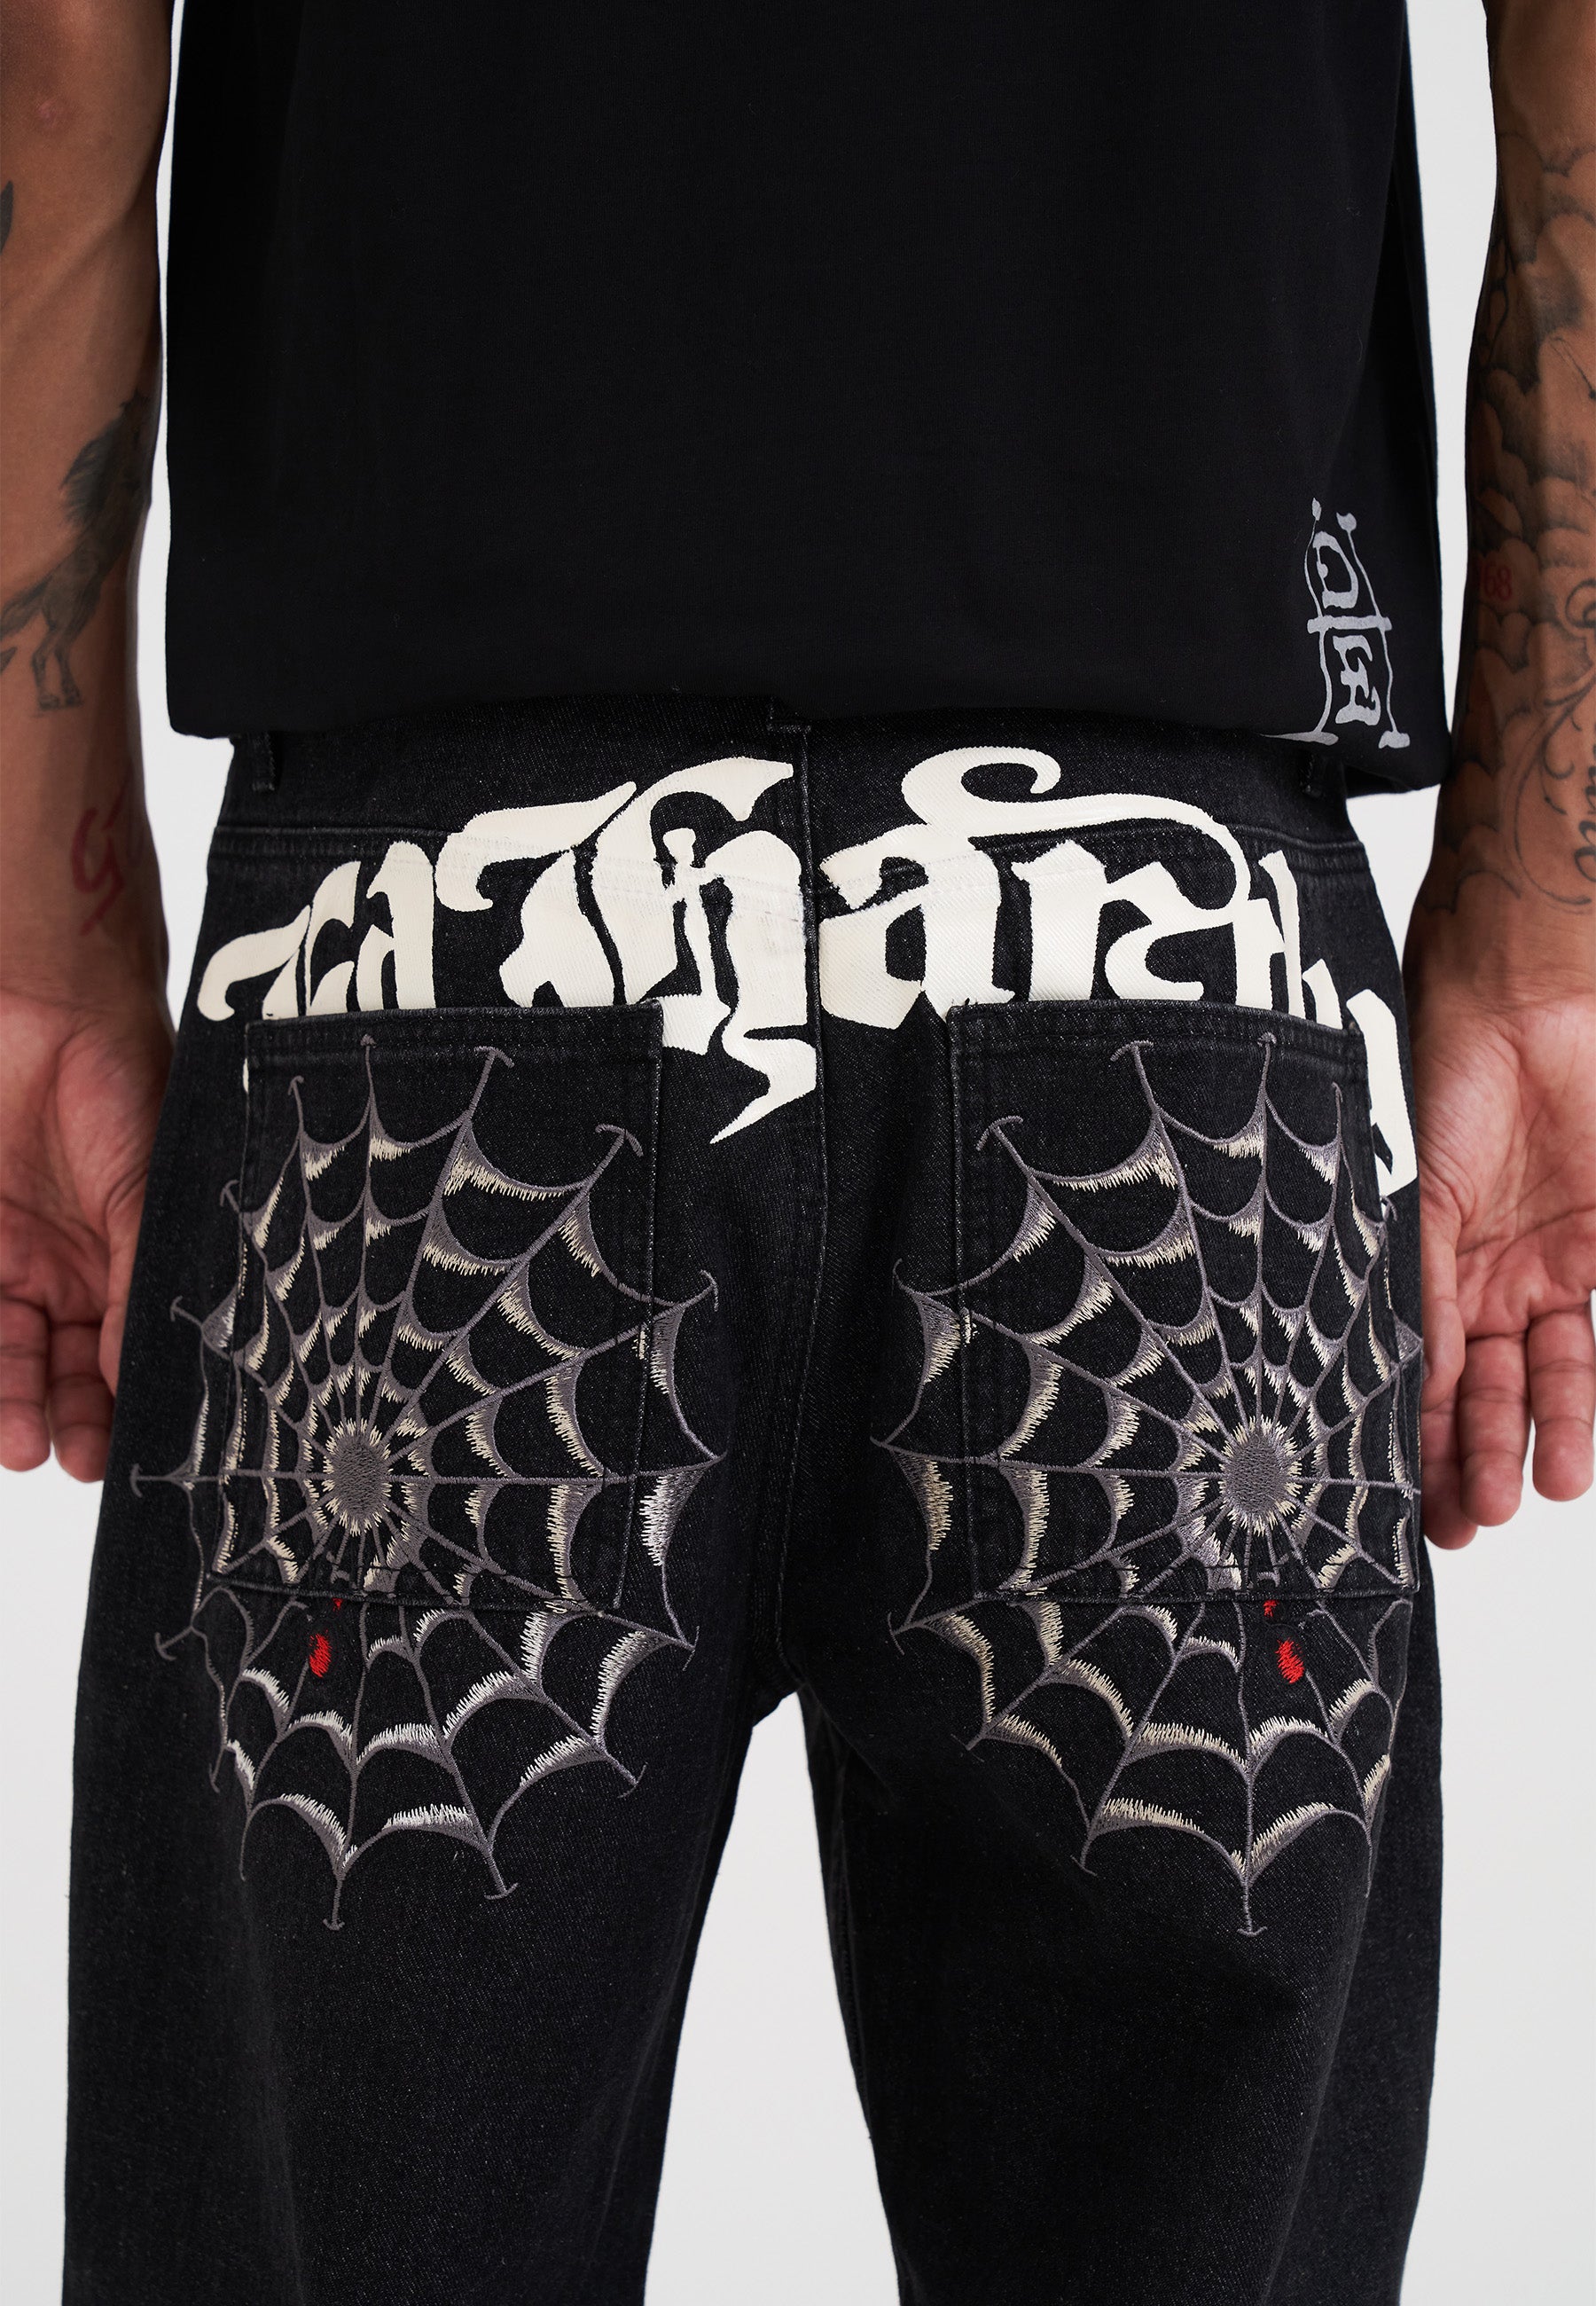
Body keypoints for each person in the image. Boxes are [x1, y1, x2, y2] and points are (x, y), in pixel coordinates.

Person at [2, 0, 1591, 2297]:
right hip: (1167, 926)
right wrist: (1545, 921)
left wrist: (38, 921)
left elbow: (55, 51)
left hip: (430, 931)